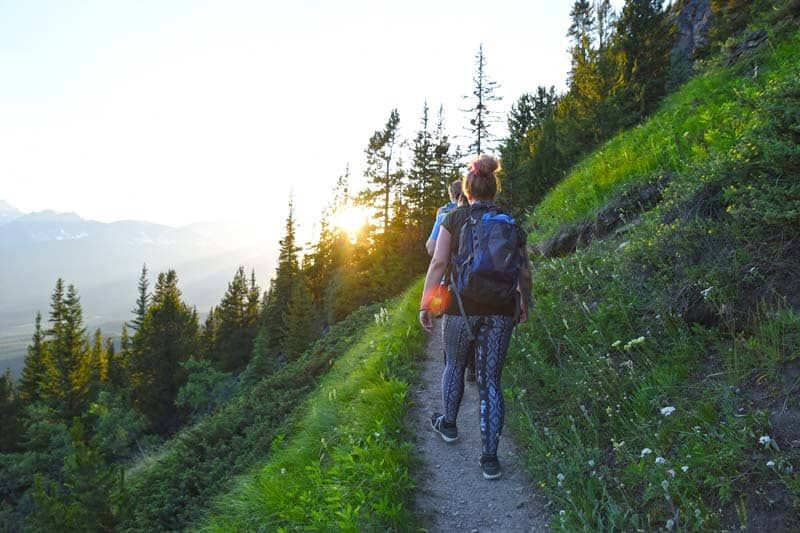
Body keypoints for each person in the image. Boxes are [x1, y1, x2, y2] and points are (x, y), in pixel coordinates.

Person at [418, 154, 532, 480]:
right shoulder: (510, 223)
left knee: (454, 365)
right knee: (490, 381)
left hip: (460, 307)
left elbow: (438, 263)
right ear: (494, 189)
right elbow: (524, 271)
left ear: (467, 190)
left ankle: (449, 425)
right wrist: (525, 302)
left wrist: (426, 303)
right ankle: (490, 459)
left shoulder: (454, 218)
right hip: (501, 309)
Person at [426, 180, 477, 383]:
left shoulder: (445, 214)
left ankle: (454, 366)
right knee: (476, 316)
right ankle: (473, 365)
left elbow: (432, 249)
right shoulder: (483, 213)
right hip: (480, 278)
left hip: (452, 279)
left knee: (453, 322)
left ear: (452, 195)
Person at [426, 180, 464, 257]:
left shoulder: (443, 214)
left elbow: (431, 249)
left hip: (452, 262)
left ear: (451, 195)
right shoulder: (479, 212)